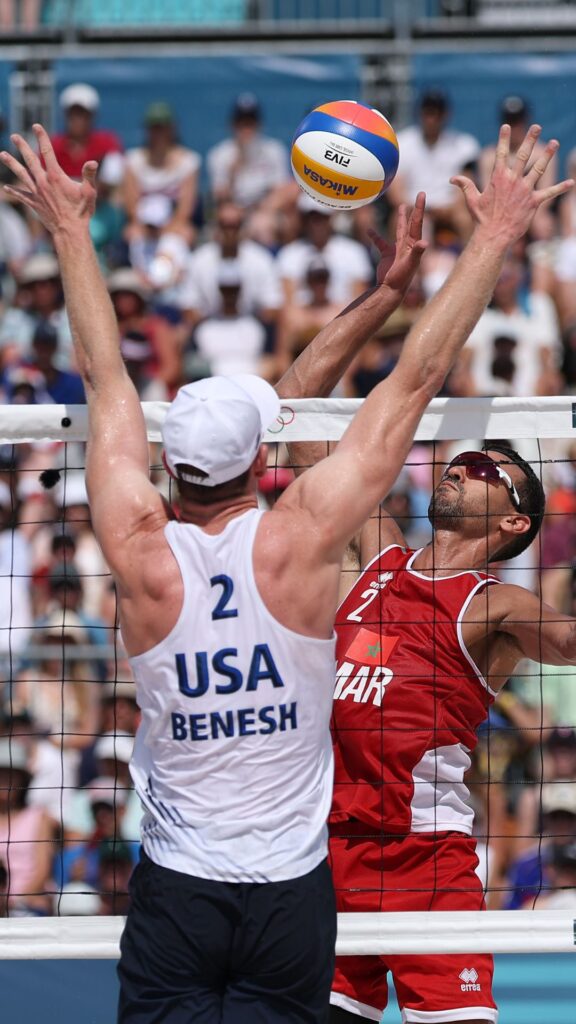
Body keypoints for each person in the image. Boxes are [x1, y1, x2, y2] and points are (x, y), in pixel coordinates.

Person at [2, 120, 568, 1023]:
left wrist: (69, 231)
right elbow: (389, 389)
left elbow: (108, 377)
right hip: (305, 873)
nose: (468, 466)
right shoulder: (315, 547)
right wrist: (471, 249)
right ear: (249, 462)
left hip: (268, 872)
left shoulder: (143, 546)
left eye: (493, 473)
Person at [278, 149, 575, 1022]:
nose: (459, 465)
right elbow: (295, 404)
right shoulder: (374, 548)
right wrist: (383, 298)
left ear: (514, 521)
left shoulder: (498, 606)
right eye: (462, 456)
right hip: (324, 855)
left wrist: (496, 238)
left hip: (426, 864)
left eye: (485, 467)